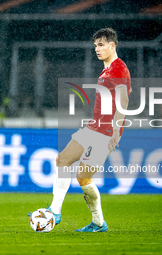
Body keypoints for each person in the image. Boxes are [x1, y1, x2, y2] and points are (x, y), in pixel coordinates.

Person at [29, 28, 131, 232]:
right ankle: (55, 212)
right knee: (63, 160)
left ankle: (99, 222)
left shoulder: (118, 69)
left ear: (112, 45)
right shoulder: (107, 69)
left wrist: (116, 131)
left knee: (83, 178)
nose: (97, 49)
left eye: (101, 45)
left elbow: (123, 101)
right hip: (93, 126)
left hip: (104, 133)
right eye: (95, 46)